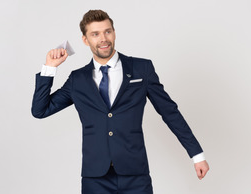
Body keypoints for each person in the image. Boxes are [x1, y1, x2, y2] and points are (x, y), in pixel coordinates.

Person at [32, 9, 209, 194]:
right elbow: (40, 110)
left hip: (135, 175)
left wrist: (197, 155)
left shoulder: (142, 69)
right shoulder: (78, 80)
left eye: (107, 31)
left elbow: (170, 112)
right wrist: (49, 69)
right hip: (95, 178)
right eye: (95, 34)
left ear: (114, 32)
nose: (103, 39)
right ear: (85, 40)